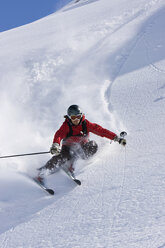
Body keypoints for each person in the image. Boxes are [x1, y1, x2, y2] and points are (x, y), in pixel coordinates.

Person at [37, 104, 126, 182]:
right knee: (64, 156)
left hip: (82, 147)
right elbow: (58, 135)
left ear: (81, 116)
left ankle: (74, 165)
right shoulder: (66, 126)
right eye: (73, 117)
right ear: (69, 117)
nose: (76, 120)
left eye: (78, 117)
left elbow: (101, 131)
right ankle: (44, 171)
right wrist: (55, 145)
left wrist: (116, 138)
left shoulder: (86, 124)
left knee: (93, 145)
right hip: (67, 147)